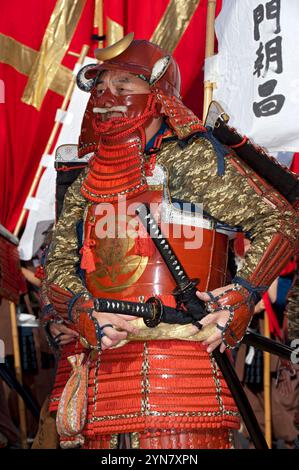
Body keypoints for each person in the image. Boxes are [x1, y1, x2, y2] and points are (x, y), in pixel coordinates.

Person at [43, 34, 299, 449]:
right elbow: (56, 267)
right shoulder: (85, 178)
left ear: (157, 91)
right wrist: (82, 311)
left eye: (124, 85)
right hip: (105, 368)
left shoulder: (192, 156)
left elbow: (282, 221)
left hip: (184, 368)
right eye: (102, 85)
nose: (108, 96)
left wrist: (239, 296)